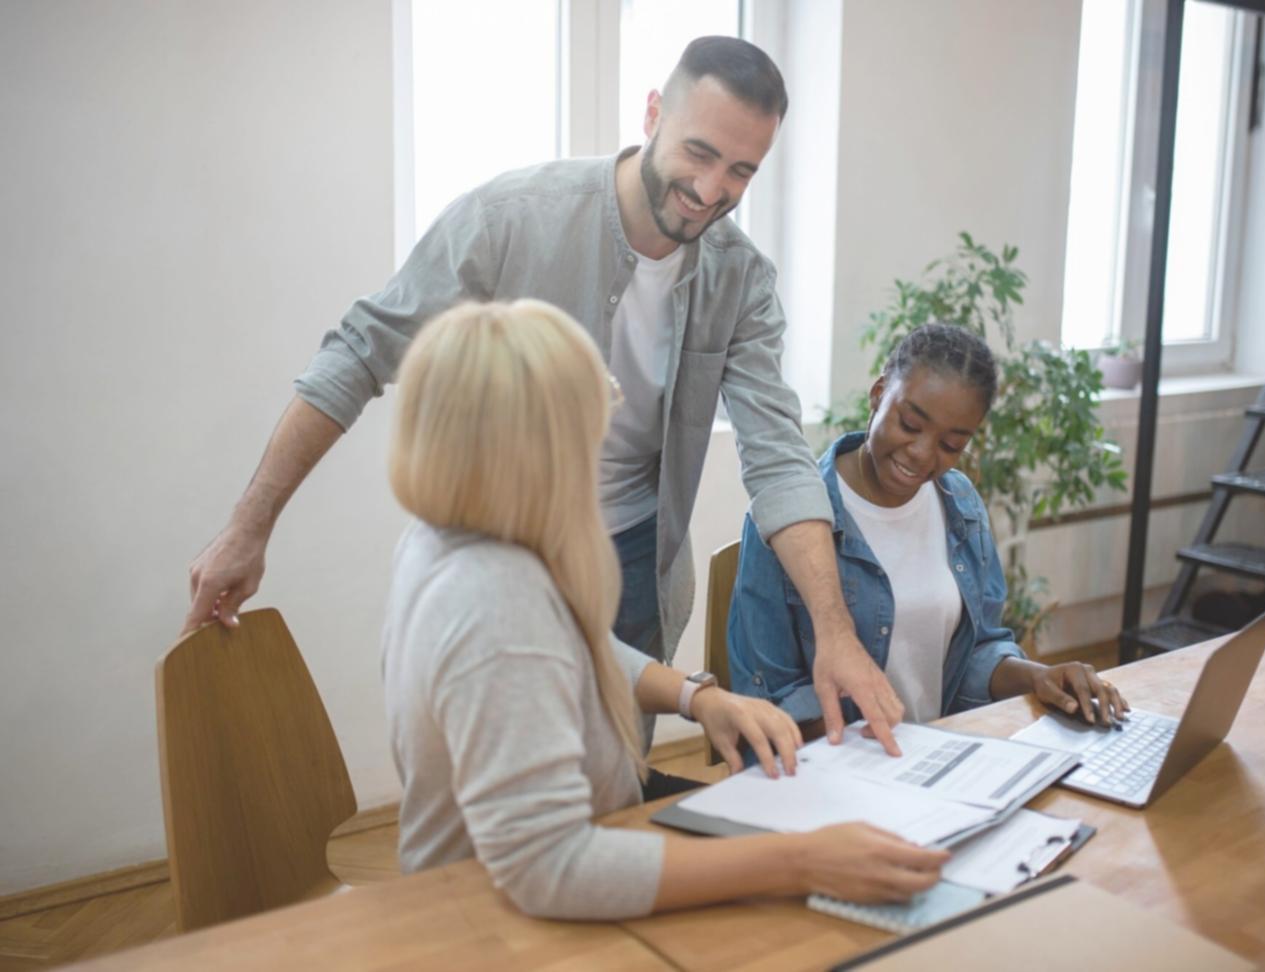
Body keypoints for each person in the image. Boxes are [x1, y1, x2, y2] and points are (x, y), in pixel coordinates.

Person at [184, 35, 903, 752]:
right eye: (699, 153)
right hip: (504, 549)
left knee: (615, 784)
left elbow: (777, 455)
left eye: (741, 171)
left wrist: (834, 634)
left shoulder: (741, 279)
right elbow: (360, 352)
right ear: (653, 114)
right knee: (507, 807)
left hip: (636, 563)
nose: (713, 190)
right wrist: (249, 527)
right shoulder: (511, 218)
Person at [381, 299, 947, 919]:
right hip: (485, 920)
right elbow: (551, 869)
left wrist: (696, 697)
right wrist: (803, 860)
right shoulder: (493, 596)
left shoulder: (450, 536)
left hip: (573, 836)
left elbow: (564, 648)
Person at [729, 324, 1130, 729]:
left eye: (951, 445)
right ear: (878, 393)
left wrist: (1039, 675)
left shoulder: (961, 506)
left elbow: (973, 652)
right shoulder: (791, 519)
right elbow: (771, 696)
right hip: (832, 769)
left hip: (931, 757)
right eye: (909, 424)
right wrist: (879, 760)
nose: (922, 455)